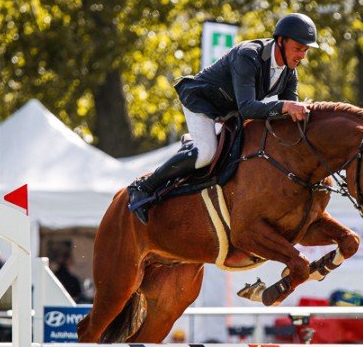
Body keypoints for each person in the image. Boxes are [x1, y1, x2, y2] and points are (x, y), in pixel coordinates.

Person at [127, 13, 319, 223]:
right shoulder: (248, 55)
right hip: (202, 102)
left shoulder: (289, 73)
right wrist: (285, 106)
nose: (302, 55)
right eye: (299, 48)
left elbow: (288, 118)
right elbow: (248, 108)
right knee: (206, 152)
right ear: (280, 41)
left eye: (306, 50)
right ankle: (143, 187)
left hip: (228, 113)